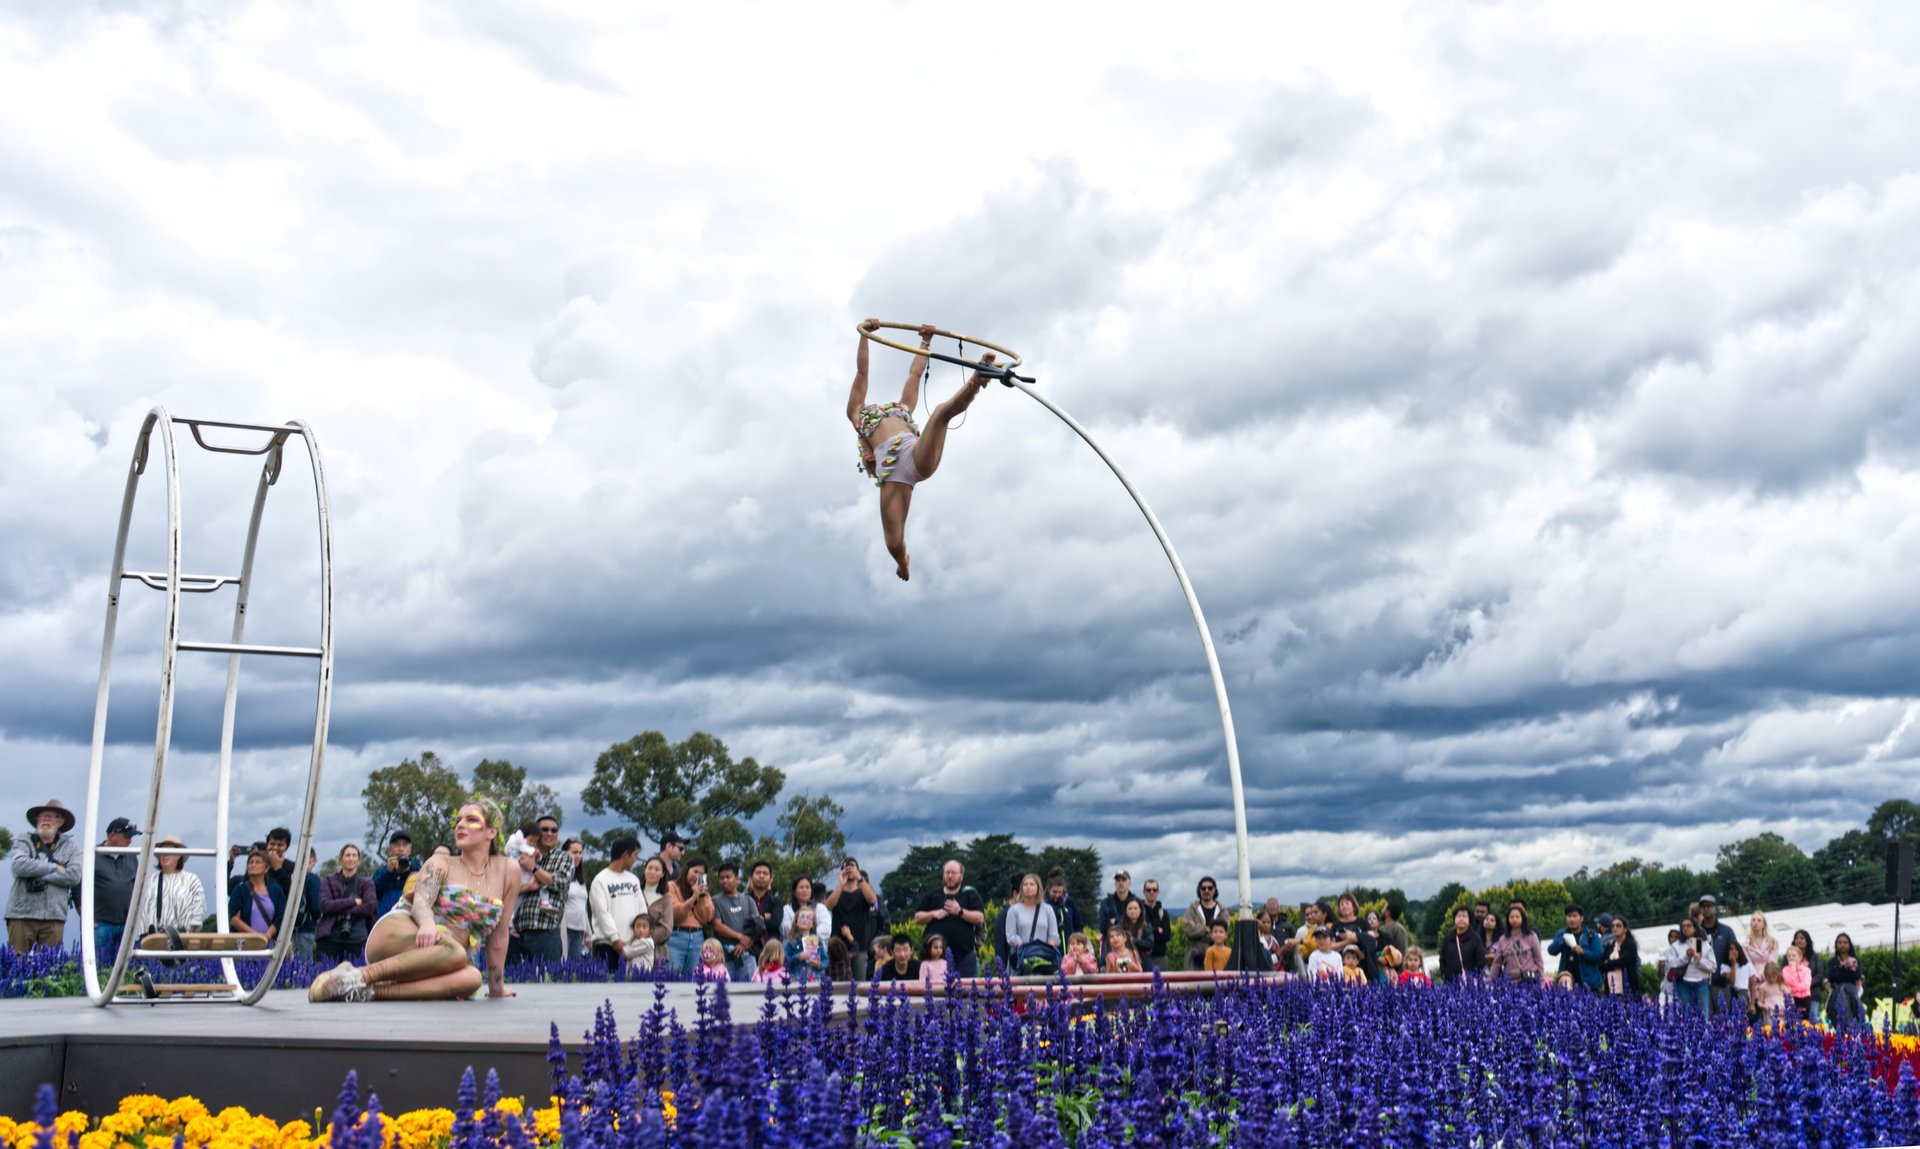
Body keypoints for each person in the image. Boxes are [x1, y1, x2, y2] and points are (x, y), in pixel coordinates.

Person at [309, 798, 519, 1002]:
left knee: (472, 977)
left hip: (440, 958)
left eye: (471, 819)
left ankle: (368, 992)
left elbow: (499, 935)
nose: (460, 825)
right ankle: (359, 976)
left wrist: (496, 987)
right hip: (401, 932)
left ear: (492, 831)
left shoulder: (508, 870)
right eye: (458, 820)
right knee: (455, 952)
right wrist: (427, 924)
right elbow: (421, 901)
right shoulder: (440, 862)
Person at [848, 318, 1000, 580]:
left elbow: (915, 373)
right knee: (893, 543)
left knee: (941, 413)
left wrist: (926, 340)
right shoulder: (857, 415)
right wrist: (866, 337)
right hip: (893, 474)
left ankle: (979, 377)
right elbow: (862, 373)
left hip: (916, 453)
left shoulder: (903, 409)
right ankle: (903, 563)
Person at [8, 799, 82, 953]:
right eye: (42, 816)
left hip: (54, 916)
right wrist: (53, 867)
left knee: (51, 969)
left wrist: (39, 874)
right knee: (15, 963)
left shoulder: (72, 848)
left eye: (51, 816)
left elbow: (74, 876)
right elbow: (18, 866)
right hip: (21, 915)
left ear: (60, 822)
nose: (46, 819)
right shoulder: (24, 840)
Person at [506, 814, 573, 965]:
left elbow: (561, 883)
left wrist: (533, 867)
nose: (550, 833)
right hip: (514, 931)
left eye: (554, 830)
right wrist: (526, 888)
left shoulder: (563, 858)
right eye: (545, 829)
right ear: (535, 833)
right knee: (512, 981)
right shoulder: (519, 853)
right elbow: (507, 887)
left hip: (545, 931)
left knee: (547, 982)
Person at [913, 860, 986, 977]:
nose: (950, 876)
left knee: (965, 994)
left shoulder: (970, 895)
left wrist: (960, 912)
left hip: (964, 959)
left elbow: (979, 918)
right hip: (934, 960)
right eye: (947, 873)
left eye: (953, 873)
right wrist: (933, 914)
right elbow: (917, 918)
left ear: (961, 876)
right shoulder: (933, 895)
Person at [588, 837, 648, 972]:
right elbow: (601, 913)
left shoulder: (633, 879)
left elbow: (642, 910)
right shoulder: (600, 880)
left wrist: (642, 933)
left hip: (632, 945)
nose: (635, 859)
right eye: (634, 855)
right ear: (625, 855)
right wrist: (615, 939)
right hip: (608, 945)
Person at [87, 815, 142, 957]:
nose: (130, 840)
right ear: (112, 834)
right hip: (100, 923)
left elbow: (137, 884)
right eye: (126, 836)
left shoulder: (132, 856)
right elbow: (78, 888)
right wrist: (87, 917)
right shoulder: (92, 855)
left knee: (127, 967)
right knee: (98, 965)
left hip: (126, 923)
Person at [136, 834, 207, 938]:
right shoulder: (149, 880)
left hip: (181, 937)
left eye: (169, 852)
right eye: (162, 852)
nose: (164, 856)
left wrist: (191, 932)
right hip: (151, 938)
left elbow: (199, 907)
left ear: (178, 856)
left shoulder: (191, 879)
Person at [315, 844, 377, 964]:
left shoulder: (366, 883)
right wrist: (353, 902)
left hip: (357, 937)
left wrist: (338, 907)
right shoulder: (328, 880)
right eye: (347, 855)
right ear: (341, 859)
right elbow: (325, 906)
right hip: (331, 937)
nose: (351, 858)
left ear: (358, 860)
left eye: (354, 855)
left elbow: (369, 907)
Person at [822, 858, 878, 980]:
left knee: (859, 984)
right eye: (846, 867)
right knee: (836, 986)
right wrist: (841, 884)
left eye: (852, 866)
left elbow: (873, 900)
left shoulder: (862, 892)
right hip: (837, 948)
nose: (849, 869)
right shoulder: (836, 893)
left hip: (860, 946)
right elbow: (828, 905)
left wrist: (860, 878)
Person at [710, 861, 765, 982]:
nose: (724, 880)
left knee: (751, 991)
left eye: (728, 877)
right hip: (725, 957)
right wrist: (740, 937)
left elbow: (758, 925)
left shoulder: (748, 900)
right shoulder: (715, 900)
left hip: (747, 955)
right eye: (721, 878)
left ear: (737, 879)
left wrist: (745, 943)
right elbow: (717, 925)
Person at [1004, 873, 1062, 975]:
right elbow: (1011, 935)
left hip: (1043, 958)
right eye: (1025, 884)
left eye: (1031, 884)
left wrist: (1047, 950)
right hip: (1021, 958)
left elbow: (1054, 935)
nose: (1028, 887)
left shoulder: (1047, 910)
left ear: (1038, 887)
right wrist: (1023, 947)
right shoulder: (1013, 910)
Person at [667, 857, 716, 975]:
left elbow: (706, 918)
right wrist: (693, 897)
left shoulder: (703, 892)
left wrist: (702, 897)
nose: (697, 876)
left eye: (701, 874)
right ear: (686, 870)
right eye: (695, 872)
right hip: (676, 937)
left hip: (697, 938)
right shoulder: (672, 886)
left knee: (693, 979)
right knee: (672, 977)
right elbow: (675, 915)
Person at [1694, 895, 1738, 1018]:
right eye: (1703, 907)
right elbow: (1695, 956)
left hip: (1721, 983)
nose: (1706, 909)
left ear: (1715, 909)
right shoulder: (1696, 931)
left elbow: (1735, 952)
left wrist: (1731, 968)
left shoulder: (1726, 931)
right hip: (1701, 984)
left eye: (1709, 906)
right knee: (1705, 1020)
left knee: (1724, 1020)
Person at [1547, 905, 1604, 992]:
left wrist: (1583, 952)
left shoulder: (1591, 935)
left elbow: (1598, 955)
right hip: (1567, 980)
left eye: (1574, 916)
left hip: (1587, 982)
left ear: (1581, 918)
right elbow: (1551, 951)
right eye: (1569, 916)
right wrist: (1562, 941)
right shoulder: (1562, 933)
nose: (1571, 919)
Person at [1487, 906, 1547, 985]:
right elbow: (1497, 963)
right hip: (1511, 982)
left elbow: (1538, 959)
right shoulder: (1503, 939)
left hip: (1530, 980)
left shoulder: (1531, 936)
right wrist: (1489, 980)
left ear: (1523, 918)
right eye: (1511, 917)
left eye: (1517, 917)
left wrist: (1542, 981)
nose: (1514, 919)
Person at [1666, 918, 1714, 1016]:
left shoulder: (1704, 944)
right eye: (1683, 926)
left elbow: (1713, 966)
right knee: (1686, 1016)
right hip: (1683, 984)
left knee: (1703, 1016)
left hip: (1701, 984)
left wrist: (1700, 961)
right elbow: (1671, 964)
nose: (1685, 928)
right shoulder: (1675, 946)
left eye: (1689, 925)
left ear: (1695, 927)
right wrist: (1685, 956)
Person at [1329, 893, 1380, 983]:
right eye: (1341, 904)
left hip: (1364, 967)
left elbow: (1372, 939)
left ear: (1354, 906)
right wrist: (1348, 941)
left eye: (1347, 903)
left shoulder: (1362, 922)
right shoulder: (1336, 925)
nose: (1344, 906)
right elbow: (1331, 946)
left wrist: (1355, 936)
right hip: (1342, 967)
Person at [1182, 876, 1229, 971]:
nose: (1206, 890)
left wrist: (1198, 929)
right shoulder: (1191, 909)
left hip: (1219, 957)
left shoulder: (1223, 910)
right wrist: (1207, 929)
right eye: (1203, 888)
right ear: (1199, 890)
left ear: (1215, 890)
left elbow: (1224, 931)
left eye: (1210, 888)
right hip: (1196, 959)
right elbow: (1188, 931)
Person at [1826, 932, 1866, 1033]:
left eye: (1845, 942)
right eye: (1839, 942)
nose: (1842, 945)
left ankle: (1851, 1028)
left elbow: (1857, 975)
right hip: (1836, 990)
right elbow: (1831, 976)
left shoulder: (1856, 960)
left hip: (1852, 990)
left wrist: (1840, 972)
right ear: (1836, 945)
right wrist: (1846, 972)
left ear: (1849, 944)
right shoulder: (1832, 962)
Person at [373, 832, 419, 916]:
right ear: (390, 850)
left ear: (409, 850)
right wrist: (388, 871)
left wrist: (409, 868)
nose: (401, 849)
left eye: (405, 845)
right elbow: (373, 891)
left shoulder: (417, 867)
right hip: (385, 918)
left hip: (410, 917)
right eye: (397, 845)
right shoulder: (382, 871)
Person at [781, 875, 833, 949]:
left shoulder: (820, 908)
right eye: (801, 887)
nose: (804, 890)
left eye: (807, 887)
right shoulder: (787, 909)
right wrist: (801, 928)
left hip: (816, 949)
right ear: (794, 892)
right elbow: (784, 929)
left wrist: (808, 932)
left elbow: (826, 929)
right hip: (793, 949)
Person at [1096, 872, 1139, 959]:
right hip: (1110, 954)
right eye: (1118, 880)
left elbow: (1138, 925)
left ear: (1129, 883)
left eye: (1124, 880)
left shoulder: (1137, 903)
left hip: (1133, 954)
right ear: (1115, 884)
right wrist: (1127, 920)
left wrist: (1116, 920)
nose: (1121, 883)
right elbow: (1103, 927)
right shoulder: (1106, 903)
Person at [1438, 908, 1486, 985]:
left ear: (1469, 920)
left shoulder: (1475, 939)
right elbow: (1442, 959)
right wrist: (1445, 975)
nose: (1461, 918)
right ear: (1454, 920)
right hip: (1450, 982)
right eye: (1458, 916)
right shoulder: (1448, 938)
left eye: (1464, 916)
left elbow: (1480, 961)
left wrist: (1473, 976)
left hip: (1470, 982)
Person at [1787, 928, 1826, 1022]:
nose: (1799, 940)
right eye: (1797, 938)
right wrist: (1797, 986)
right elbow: (1785, 973)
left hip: (1812, 993)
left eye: (1802, 938)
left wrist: (1806, 985)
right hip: (1793, 996)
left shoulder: (1815, 957)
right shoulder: (1788, 956)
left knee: (1811, 1021)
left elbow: (1820, 974)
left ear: (1807, 941)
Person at [1600, 914, 1640, 999]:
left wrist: (1608, 963)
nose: (1615, 928)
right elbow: (1600, 963)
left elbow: (1623, 961)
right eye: (1613, 926)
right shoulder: (1610, 945)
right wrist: (1610, 964)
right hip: (1610, 986)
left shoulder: (1630, 944)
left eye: (1618, 926)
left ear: (1625, 929)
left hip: (1628, 986)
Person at [560, 839, 588, 960]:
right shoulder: (560, 875)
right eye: (574, 852)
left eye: (580, 852)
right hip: (565, 928)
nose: (578, 856)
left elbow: (583, 907)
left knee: (575, 967)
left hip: (579, 930)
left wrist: (588, 934)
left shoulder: (580, 880)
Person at [785, 907, 825, 985]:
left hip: (815, 979)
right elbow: (785, 961)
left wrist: (819, 964)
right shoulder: (791, 942)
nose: (805, 920)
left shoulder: (818, 942)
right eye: (802, 917)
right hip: (796, 979)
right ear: (796, 922)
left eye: (808, 918)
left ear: (813, 924)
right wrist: (798, 957)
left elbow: (825, 960)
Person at [1139, 879, 1173, 971]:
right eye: (1148, 890)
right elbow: (1140, 935)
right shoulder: (1138, 912)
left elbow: (1167, 936)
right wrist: (1157, 930)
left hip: (1160, 957)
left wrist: (1149, 933)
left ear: (1158, 892)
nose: (1151, 892)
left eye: (1154, 890)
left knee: (1162, 985)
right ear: (1144, 892)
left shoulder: (1163, 912)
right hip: (1143, 957)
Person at [745, 860, 785, 933]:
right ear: (751, 878)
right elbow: (741, 921)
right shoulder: (743, 899)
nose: (761, 876)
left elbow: (775, 924)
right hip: (747, 938)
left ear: (770, 879)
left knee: (774, 944)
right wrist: (764, 916)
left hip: (770, 939)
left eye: (765, 873)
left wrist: (753, 920)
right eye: (758, 873)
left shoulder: (776, 900)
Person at [1045, 870, 1085, 940]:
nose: (1057, 895)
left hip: (1069, 948)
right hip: (1049, 947)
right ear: (1048, 889)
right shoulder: (1043, 905)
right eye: (1054, 892)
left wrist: (1077, 940)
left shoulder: (1069, 903)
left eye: (1060, 892)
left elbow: (1078, 925)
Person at [1723, 939, 1755, 1019]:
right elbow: (1731, 981)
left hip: (1743, 995)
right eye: (1731, 949)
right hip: (1730, 995)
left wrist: (1752, 1004)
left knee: (1743, 1020)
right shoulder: (1725, 966)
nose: (1733, 951)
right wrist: (1733, 964)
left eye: (1736, 949)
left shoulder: (1748, 966)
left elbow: (1752, 986)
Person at [1783, 945, 1815, 1019]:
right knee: (1792, 1019)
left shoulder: (1806, 970)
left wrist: (1793, 988)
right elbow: (1788, 982)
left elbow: (1806, 985)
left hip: (1805, 998)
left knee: (1804, 1019)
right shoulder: (1785, 970)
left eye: (1794, 955)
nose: (1791, 957)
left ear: (1800, 957)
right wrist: (1793, 970)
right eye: (1789, 956)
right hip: (1792, 997)